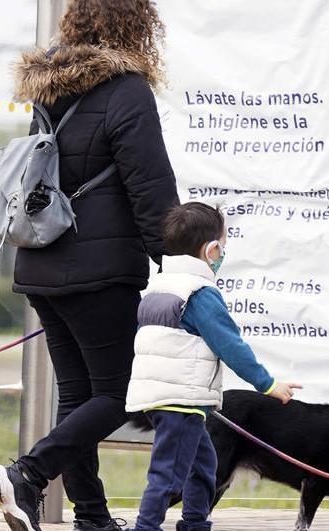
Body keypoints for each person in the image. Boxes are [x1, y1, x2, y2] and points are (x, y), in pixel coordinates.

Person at [0, 0, 180, 531]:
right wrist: (175, 252)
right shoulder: (127, 90)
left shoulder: (49, 90)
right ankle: (27, 475)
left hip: (40, 263)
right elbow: (150, 185)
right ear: (135, 28)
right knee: (120, 393)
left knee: (80, 395)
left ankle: (92, 516)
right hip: (100, 270)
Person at [126, 202, 300, 531]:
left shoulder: (157, 288)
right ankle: (146, 527)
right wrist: (267, 384)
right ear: (212, 249)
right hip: (182, 400)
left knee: (203, 465)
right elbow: (230, 346)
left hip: (164, 396)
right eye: (223, 247)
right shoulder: (200, 294)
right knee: (168, 473)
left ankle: (195, 522)